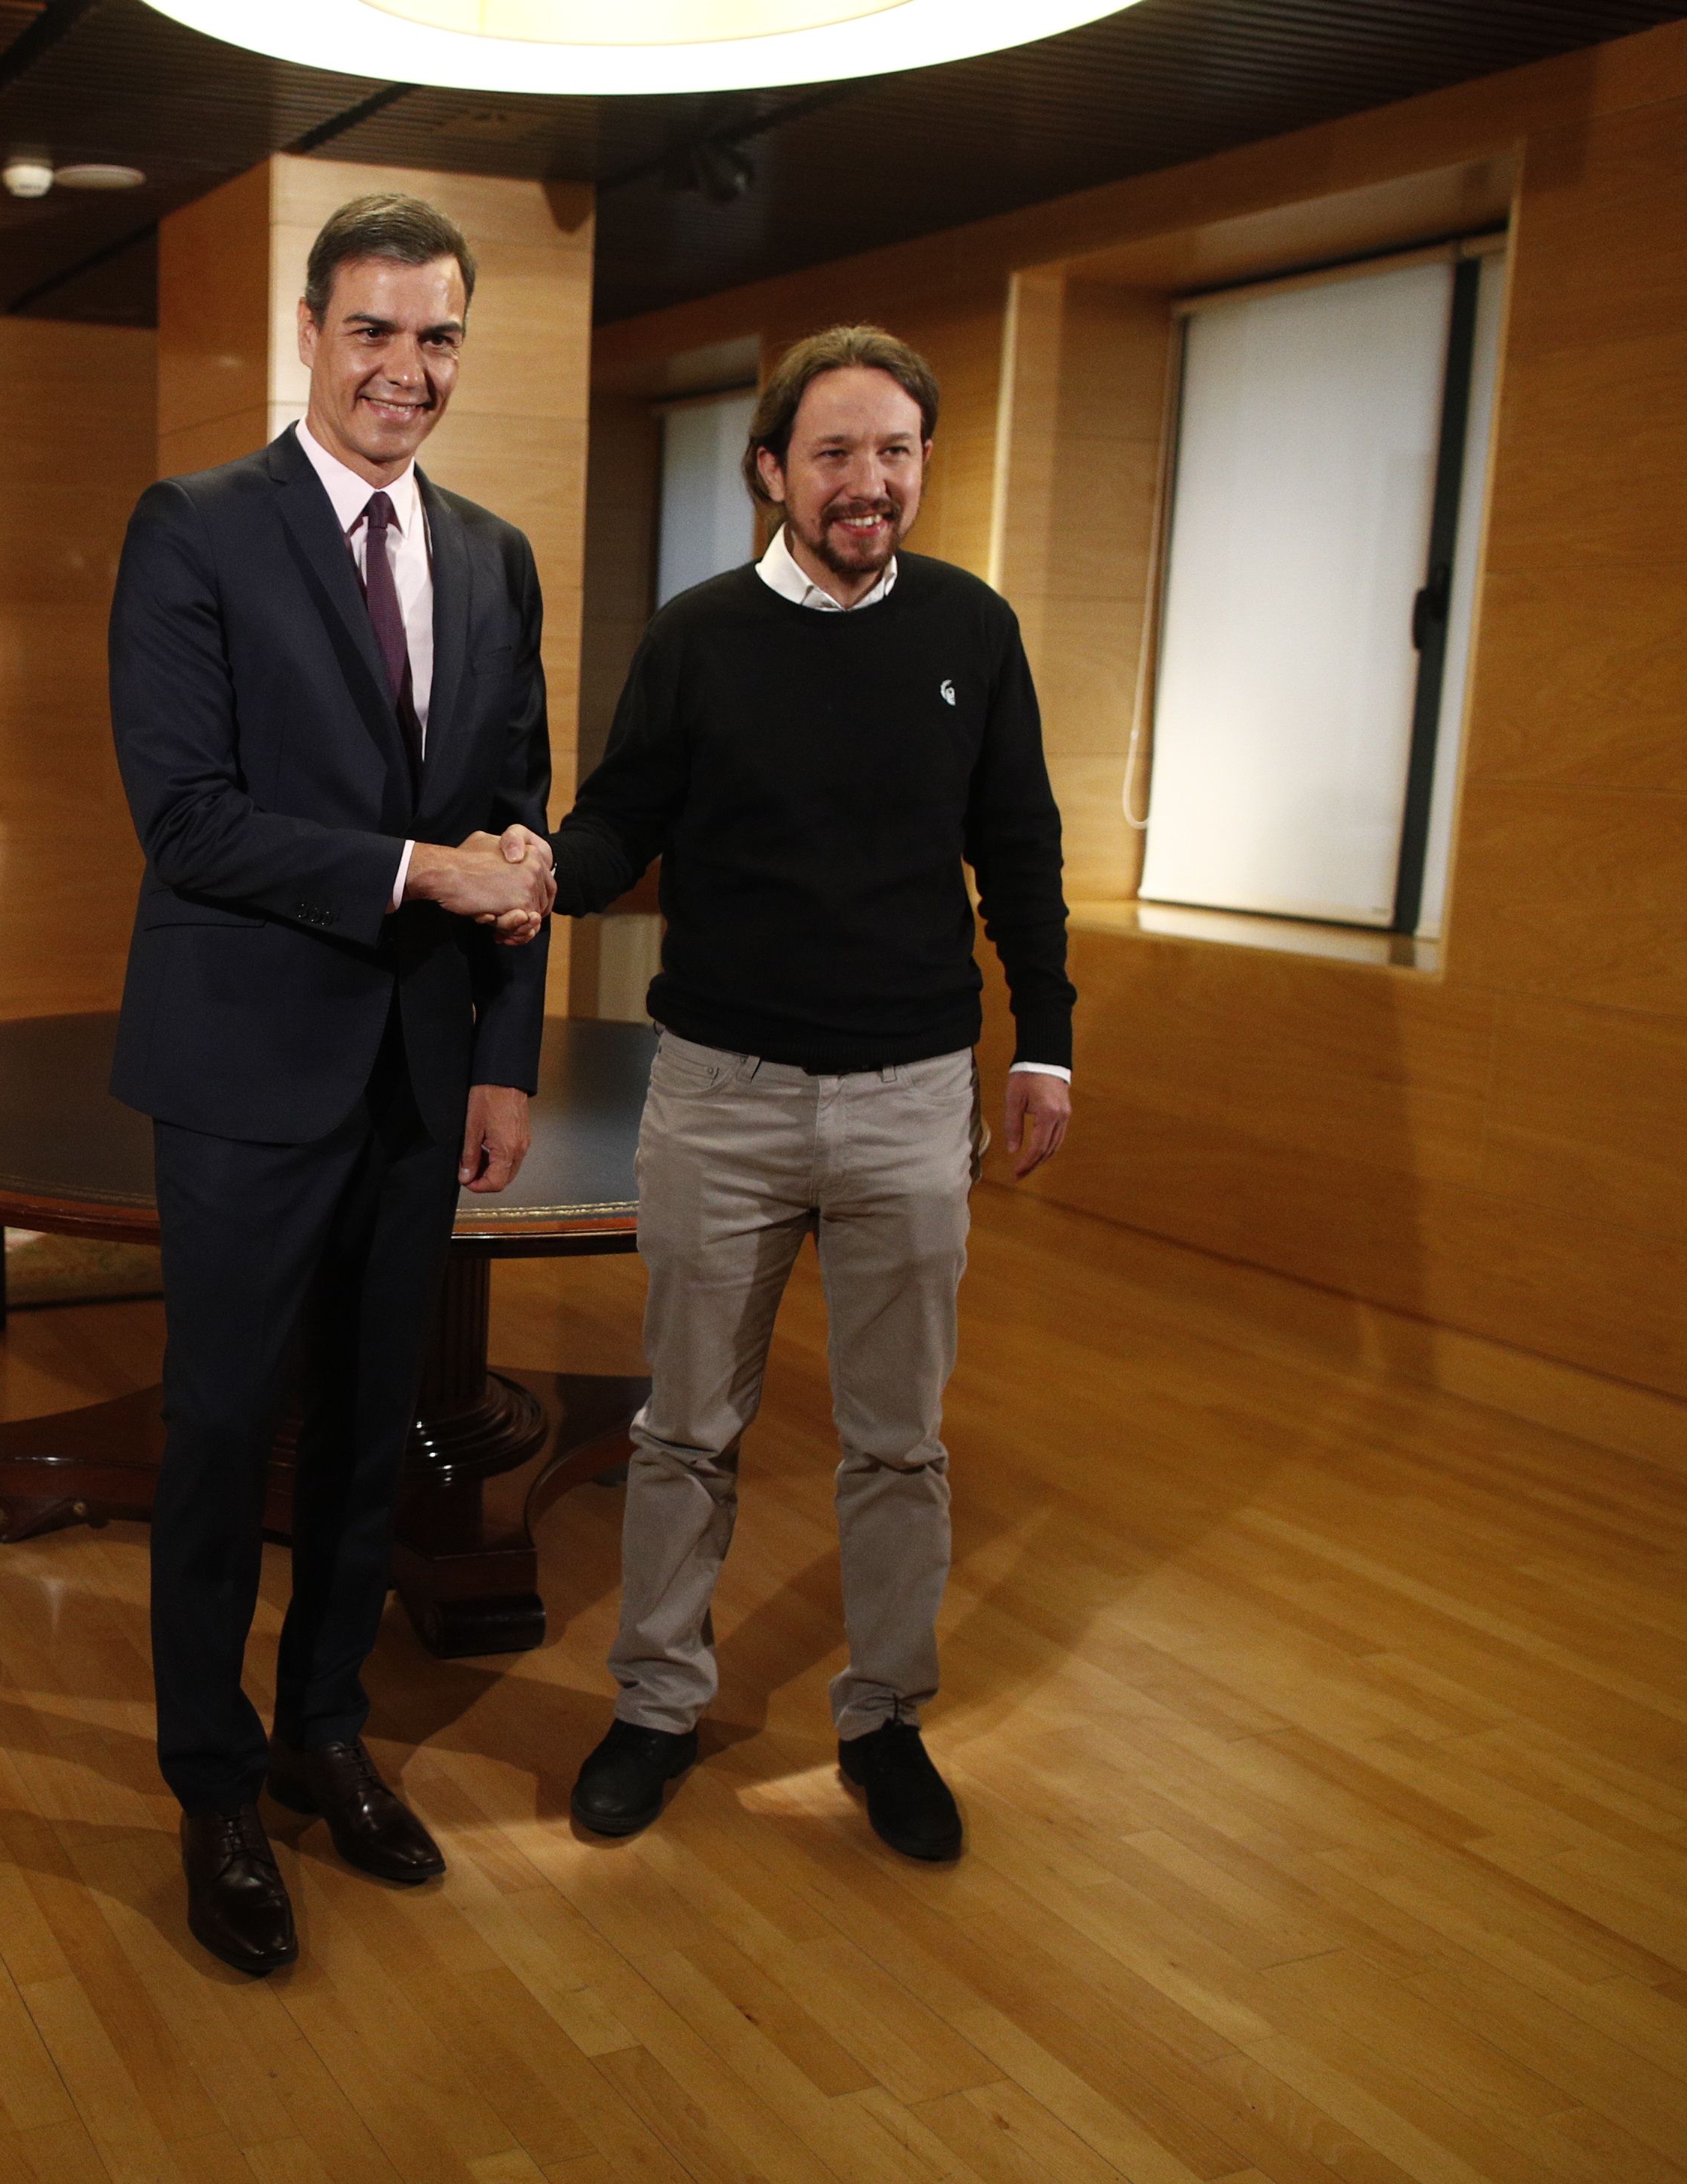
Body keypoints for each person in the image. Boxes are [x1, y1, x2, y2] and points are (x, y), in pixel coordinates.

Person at [523, 323, 1072, 1862]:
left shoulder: (973, 627)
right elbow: (626, 816)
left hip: (912, 1098)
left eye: (895, 452)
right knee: (685, 1428)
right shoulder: (699, 636)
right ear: (772, 470)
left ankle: (884, 1715)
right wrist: (538, 871)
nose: (869, 483)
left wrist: (1047, 1038)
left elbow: (1017, 848)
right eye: (835, 453)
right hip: (724, 1092)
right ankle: (654, 1705)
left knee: (900, 1441)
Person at [108, 192, 557, 1975]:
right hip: (240, 1070)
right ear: (307, 332)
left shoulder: (501, 556)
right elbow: (189, 818)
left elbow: (520, 830)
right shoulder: (197, 528)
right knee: (224, 1437)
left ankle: (327, 1737)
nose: (407, 368)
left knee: (377, 1432)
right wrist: (409, 871)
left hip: (419, 1078)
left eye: (438, 336)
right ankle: (215, 1784)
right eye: (374, 330)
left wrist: (503, 1060)